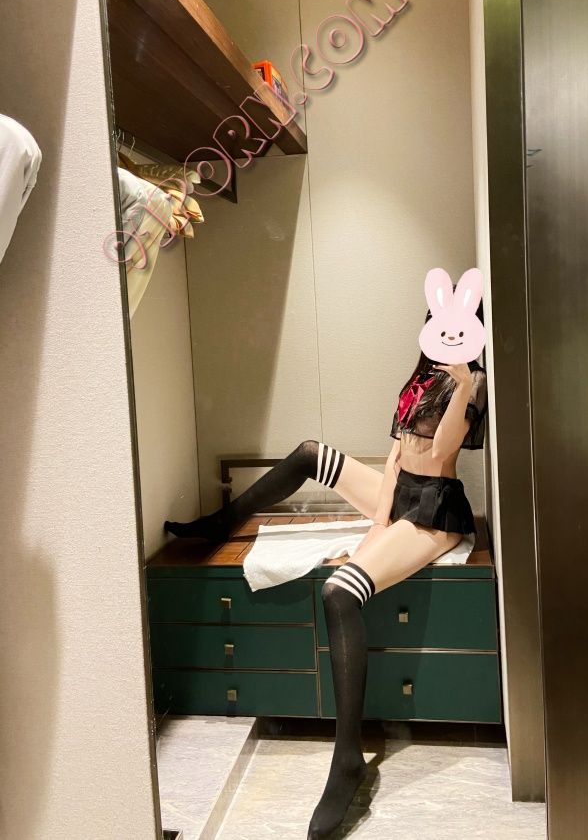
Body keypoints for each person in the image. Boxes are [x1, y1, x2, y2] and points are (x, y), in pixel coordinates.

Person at [165, 297, 488, 840]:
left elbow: (440, 453)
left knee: (340, 592)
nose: (447, 333)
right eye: (439, 323)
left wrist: (460, 385)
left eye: (459, 327)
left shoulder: (470, 381)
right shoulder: (421, 374)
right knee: (310, 452)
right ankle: (223, 523)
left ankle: (348, 758)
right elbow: (396, 455)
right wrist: (378, 523)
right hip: (402, 497)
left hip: (434, 510)